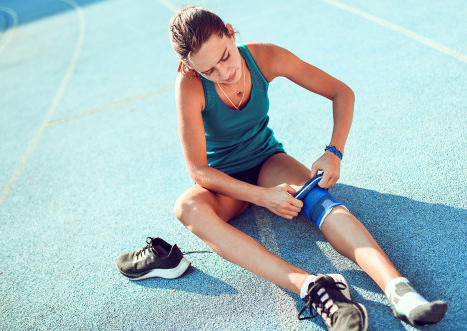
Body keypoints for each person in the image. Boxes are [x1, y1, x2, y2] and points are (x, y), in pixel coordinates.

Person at [122, 6, 448, 330]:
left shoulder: (265, 57)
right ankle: (312, 286)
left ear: (231, 33)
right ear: (189, 67)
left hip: (268, 162)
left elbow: (341, 92)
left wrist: (334, 151)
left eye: (224, 56)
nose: (224, 72)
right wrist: (262, 197)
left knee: (322, 200)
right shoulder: (189, 85)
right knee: (187, 208)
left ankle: (400, 291)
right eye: (209, 70)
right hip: (225, 182)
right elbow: (199, 171)